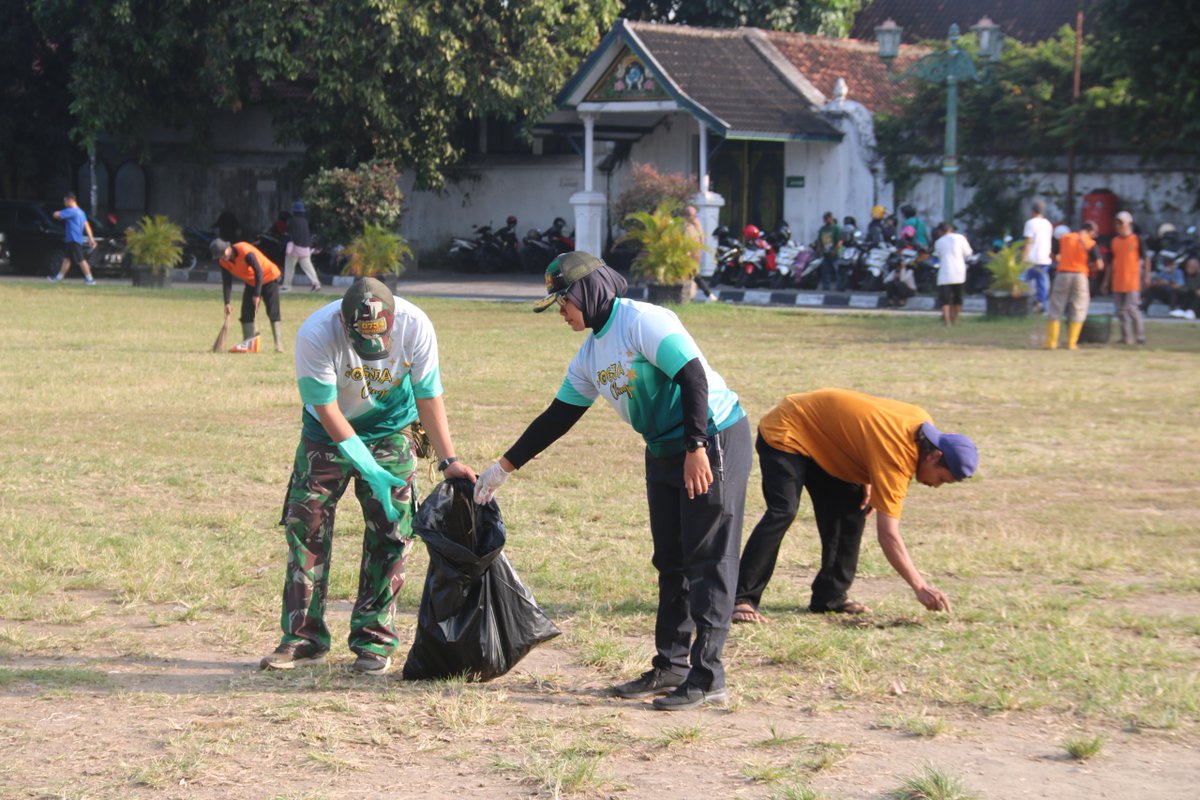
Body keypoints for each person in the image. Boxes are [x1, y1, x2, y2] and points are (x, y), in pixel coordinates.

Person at [473, 251, 751, 711]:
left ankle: (708, 676)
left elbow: (693, 376)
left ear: (588, 291)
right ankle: (672, 665)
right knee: (671, 560)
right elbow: (558, 417)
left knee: (708, 558)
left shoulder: (642, 321)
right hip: (662, 448)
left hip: (710, 437)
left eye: (564, 301)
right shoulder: (590, 354)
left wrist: (696, 446)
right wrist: (503, 467)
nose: (561, 312)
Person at [262, 277, 477, 675]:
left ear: (392, 320)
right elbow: (327, 410)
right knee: (306, 525)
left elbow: (428, 394)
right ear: (344, 324)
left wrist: (449, 459)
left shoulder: (416, 325)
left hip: (392, 427)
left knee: (392, 530)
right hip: (326, 432)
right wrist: (367, 465)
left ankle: (374, 640)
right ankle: (304, 638)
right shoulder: (315, 333)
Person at [732, 388, 976, 624]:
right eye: (942, 478)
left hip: (826, 441)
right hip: (788, 427)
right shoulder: (898, 459)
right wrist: (920, 586)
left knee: (854, 506)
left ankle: (830, 597)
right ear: (934, 456)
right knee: (783, 511)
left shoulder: (921, 423)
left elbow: (867, 432)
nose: (936, 485)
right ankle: (742, 598)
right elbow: (888, 535)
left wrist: (867, 477)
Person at [211, 238, 286, 353]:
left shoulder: (245, 251)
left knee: (272, 311)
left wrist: (257, 294)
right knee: (246, 313)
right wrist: (227, 303)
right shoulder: (223, 262)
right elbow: (227, 282)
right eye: (219, 256)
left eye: (222, 254)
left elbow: (259, 272)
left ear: (227, 249)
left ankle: (278, 345)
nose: (222, 257)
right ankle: (249, 344)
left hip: (269, 277)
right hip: (251, 282)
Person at [1044, 221, 1101, 350]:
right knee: (1079, 307)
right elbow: (1099, 264)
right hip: (1080, 276)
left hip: (1063, 274)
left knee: (1056, 306)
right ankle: (1071, 343)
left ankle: (1051, 342)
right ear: (1090, 231)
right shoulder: (1090, 242)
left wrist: (1061, 260)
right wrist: (1089, 267)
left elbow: (1052, 255)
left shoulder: (1064, 238)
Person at [1102, 210, 1149, 343]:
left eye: (1121, 223)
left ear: (1129, 224)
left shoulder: (1136, 239)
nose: (1119, 226)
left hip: (1132, 281)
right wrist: (1106, 281)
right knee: (1121, 311)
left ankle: (1140, 336)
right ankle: (1126, 337)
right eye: (1117, 223)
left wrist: (1146, 276)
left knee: (1132, 309)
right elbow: (1110, 264)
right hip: (1118, 281)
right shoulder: (1114, 241)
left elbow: (1146, 258)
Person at [47, 193, 98, 284]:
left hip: (74, 238)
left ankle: (90, 279)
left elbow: (56, 215)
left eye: (65, 201)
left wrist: (55, 213)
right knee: (67, 259)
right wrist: (91, 238)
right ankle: (59, 277)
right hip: (74, 238)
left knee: (81, 259)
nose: (64, 203)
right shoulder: (81, 212)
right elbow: (87, 226)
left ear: (70, 200)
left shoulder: (71, 211)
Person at [932, 221, 973, 326]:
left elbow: (938, 256)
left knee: (945, 299)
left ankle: (947, 321)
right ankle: (956, 319)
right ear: (950, 229)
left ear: (940, 231)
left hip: (945, 271)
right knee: (957, 297)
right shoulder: (960, 238)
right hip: (959, 271)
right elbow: (968, 253)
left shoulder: (939, 242)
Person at [1021, 201, 1054, 312]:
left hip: (1032, 259)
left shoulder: (1030, 223)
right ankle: (1043, 306)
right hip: (1044, 258)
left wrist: (1023, 259)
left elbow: (1028, 242)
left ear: (1032, 211)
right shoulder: (1048, 224)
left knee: (1025, 283)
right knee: (1042, 285)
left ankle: (1027, 305)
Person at [283, 201, 321, 292]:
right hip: (305, 249)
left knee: (289, 267)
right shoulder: (305, 221)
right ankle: (316, 284)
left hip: (295, 248)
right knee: (308, 267)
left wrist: (288, 248)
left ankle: (286, 286)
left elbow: (291, 235)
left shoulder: (292, 221)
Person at [683, 204, 716, 302]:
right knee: (693, 276)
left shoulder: (694, 225)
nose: (695, 217)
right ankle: (704, 295)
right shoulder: (687, 226)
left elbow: (700, 241)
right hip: (690, 255)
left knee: (694, 276)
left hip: (694, 255)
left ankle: (707, 294)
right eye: (693, 215)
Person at [815, 212, 842, 291]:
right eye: (824, 219)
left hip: (835, 254)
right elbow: (819, 240)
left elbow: (839, 241)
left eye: (827, 219)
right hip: (826, 253)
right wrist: (818, 248)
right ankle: (826, 287)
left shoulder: (836, 228)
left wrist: (835, 250)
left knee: (837, 270)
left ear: (830, 218)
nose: (825, 221)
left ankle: (839, 286)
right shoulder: (822, 229)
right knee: (825, 271)